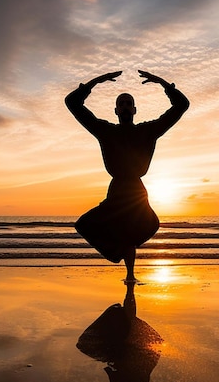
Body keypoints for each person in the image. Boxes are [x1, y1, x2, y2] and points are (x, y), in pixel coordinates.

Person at [65, 70, 189, 282]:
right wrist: (96, 82)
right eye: (120, 103)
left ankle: (130, 275)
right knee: (84, 224)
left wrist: (163, 84)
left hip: (136, 190)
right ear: (115, 110)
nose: (124, 106)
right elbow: (72, 103)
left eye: (127, 103)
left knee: (138, 229)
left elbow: (181, 106)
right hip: (117, 189)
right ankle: (117, 255)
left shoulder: (148, 130)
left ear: (134, 109)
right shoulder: (105, 130)